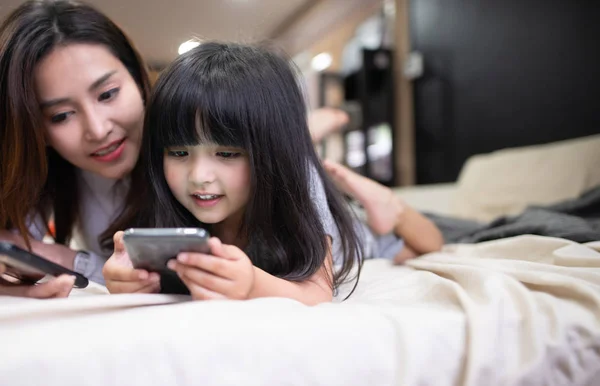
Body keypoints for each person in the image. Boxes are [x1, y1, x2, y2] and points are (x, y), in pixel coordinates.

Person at [102, 42, 363, 305]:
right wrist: (129, 279)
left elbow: (318, 294)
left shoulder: (302, 183)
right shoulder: (164, 201)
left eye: (227, 154)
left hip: (366, 228)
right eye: (179, 153)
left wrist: (253, 284)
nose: (199, 176)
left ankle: (336, 133)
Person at [0, 0, 151, 298]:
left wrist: (69, 260)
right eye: (61, 116)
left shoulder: (194, 152)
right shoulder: (45, 170)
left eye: (107, 94)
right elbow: (14, 242)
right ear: (37, 131)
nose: (97, 130)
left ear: (137, 77)